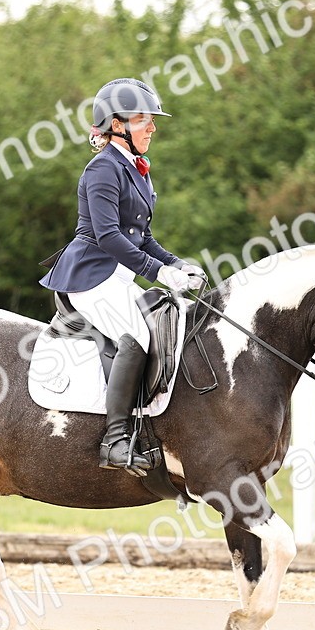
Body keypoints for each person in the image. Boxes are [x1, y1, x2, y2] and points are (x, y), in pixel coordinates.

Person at [40, 78, 207, 473]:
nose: (152, 127)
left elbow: (142, 237)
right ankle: (114, 441)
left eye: (152, 120)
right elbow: (108, 236)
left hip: (117, 278)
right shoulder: (102, 169)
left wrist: (176, 264)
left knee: (168, 326)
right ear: (116, 125)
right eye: (143, 120)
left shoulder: (137, 169)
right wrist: (157, 271)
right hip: (89, 277)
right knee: (137, 337)